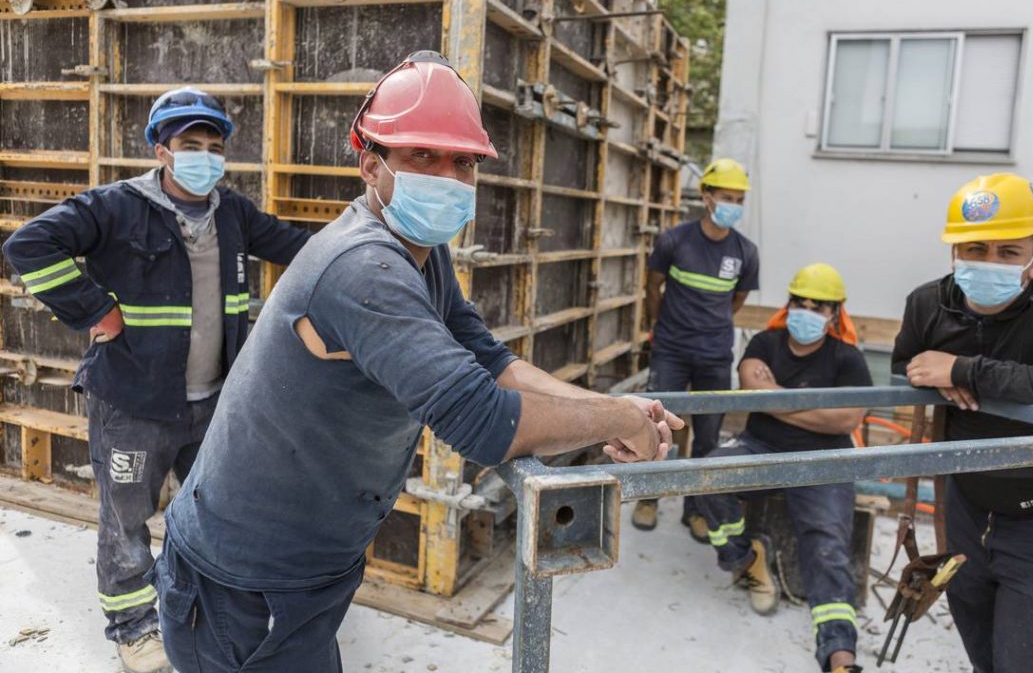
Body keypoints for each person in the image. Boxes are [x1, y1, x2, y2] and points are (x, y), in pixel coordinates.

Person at [151, 51, 684, 672]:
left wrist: (614, 408)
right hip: (243, 582)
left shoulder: (420, 251)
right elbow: (482, 423)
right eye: (422, 156)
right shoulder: (366, 266)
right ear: (370, 164)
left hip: (302, 568)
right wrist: (617, 420)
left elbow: (485, 357)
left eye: (463, 162)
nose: (449, 177)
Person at [2, 87, 311, 673]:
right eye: (190, 144)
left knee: (212, 515)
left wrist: (370, 235)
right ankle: (134, 628)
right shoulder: (117, 207)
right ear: (161, 150)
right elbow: (28, 244)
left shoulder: (234, 214)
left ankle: (192, 610)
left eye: (214, 146)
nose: (205, 156)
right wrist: (93, 309)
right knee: (125, 521)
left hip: (214, 403)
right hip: (132, 403)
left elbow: (301, 248)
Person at [892, 172, 1033, 672]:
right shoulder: (929, 303)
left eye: (1007, 252)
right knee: (984, 654)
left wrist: (964, 370)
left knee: (1029, 663)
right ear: (954, 252)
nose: (988, 263)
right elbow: (904, 365)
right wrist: (932, 376)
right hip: (971, 510)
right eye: (975, 249)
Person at [693, 263, 870, 673]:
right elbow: (750, 391)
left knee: (827, 546)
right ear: (788, 304)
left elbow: (846, 420)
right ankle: (744, 560)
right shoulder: (764, 343)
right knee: (708, 474)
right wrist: (813, 404)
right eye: (800, 303)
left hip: (823, 462)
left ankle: (838, 652)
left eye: (819, 307)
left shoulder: (847, 359)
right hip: (760, 446)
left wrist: (776, 399)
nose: (807, 312)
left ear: (834, 314)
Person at [634, 157, 759, 536]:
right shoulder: (675, 240)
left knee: (707, 434)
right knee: (656, 426)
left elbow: (735, 301)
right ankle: (648, 498)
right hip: (671, 349)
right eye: (726, 197)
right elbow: (652, 286)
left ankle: (698, 509)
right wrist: (662, 326)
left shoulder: (745, 252)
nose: (733, 205)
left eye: (739, 199)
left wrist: (709, 324)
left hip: (715, 354)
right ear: (706, 197)